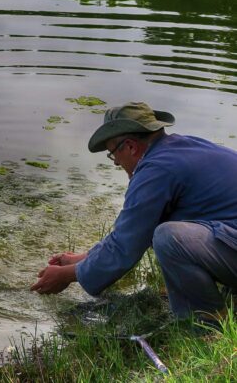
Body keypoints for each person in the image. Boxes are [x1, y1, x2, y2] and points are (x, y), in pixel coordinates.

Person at [30, 102, 237, 321]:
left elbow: (124, 246)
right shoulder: (182, 148)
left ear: (130, 146)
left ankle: (205, 323)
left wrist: (68, 275)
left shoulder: (156, 169)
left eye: (113, 154)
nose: (116, 162)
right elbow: (135, 231)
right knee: (165, 231)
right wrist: (84, 258)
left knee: (169, 238)